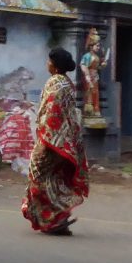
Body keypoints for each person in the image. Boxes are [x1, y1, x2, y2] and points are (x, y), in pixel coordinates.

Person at [22, 47, 89, 236]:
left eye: (49, 61)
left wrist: (45, 142)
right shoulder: (67, 83)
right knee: (54, 178)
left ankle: (51, 218)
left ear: (55, 65)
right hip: (65, 140)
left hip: (52, 141)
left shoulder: (55, 83)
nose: (46, 64)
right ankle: (58, 215)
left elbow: (52, 114)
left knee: (38, 178)